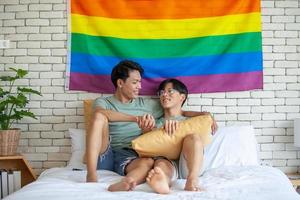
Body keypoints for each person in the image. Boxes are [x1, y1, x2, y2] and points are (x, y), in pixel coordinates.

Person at [86, 60, 217, 192]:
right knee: (98, 117)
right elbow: (100, 113)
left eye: (140, 82)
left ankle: (129, 182)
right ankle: (91, 175)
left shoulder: (149, 104)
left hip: (137, 154)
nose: (140, 87)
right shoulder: (103, 102)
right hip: (107, 152)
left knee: (148, 162)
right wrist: (136, 119)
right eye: (135, 82)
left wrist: (205, 114)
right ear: (120, 83)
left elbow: (175, 109)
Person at [145, 78, 212, 194]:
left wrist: (208, 117)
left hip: (189, 164)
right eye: (161, 92)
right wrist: (159, 130)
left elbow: (206, 122)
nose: (164, 94)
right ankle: (163, 183)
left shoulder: (192, 120)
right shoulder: (156, 122)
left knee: (193, 138)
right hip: (168, 163)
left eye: (170, 91)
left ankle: (192, 180)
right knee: (160, 164)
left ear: (182, 97)